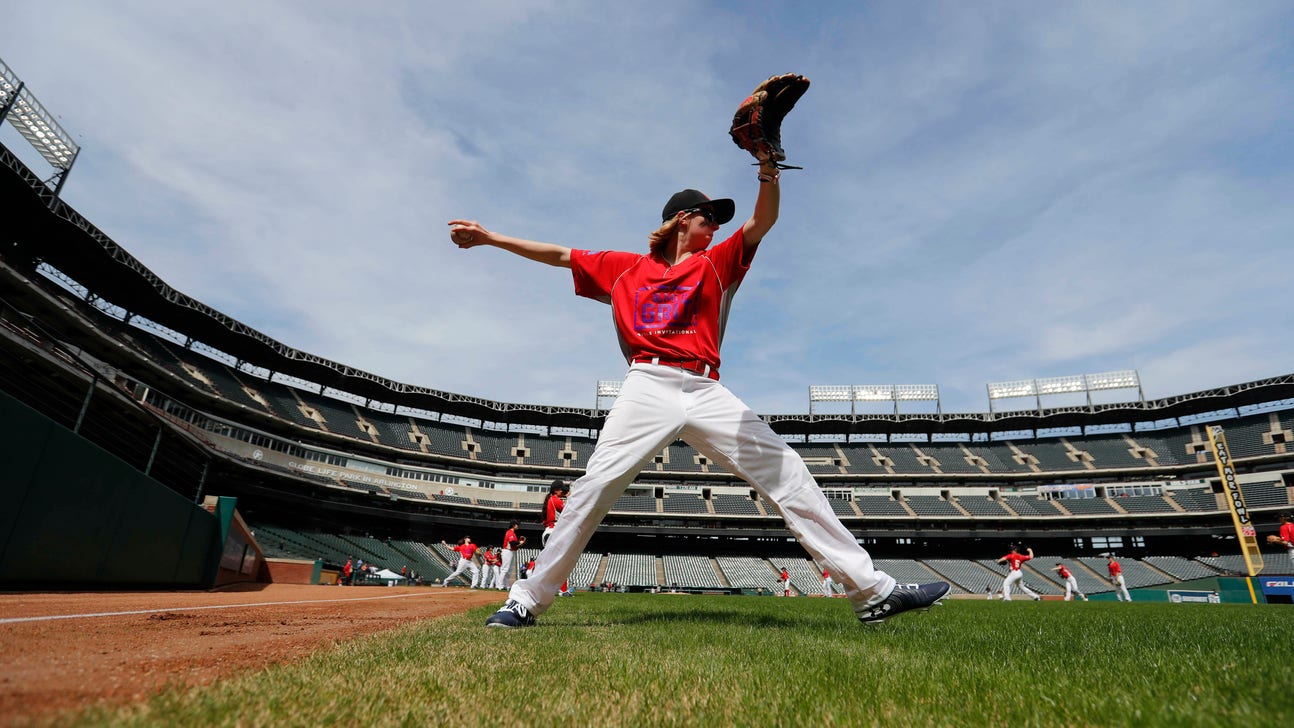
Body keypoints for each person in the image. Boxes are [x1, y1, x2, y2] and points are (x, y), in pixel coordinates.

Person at [454, 159, 949, 630]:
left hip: (705, 386)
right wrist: (489, 238)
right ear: (682, 220)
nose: (716, 227)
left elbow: (763, 219)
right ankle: (525, 600)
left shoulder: (715, 262)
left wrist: (768, 169)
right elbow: (560, 254)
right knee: (593, 489)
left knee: (787, 471)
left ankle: (872, 591)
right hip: (647, 384)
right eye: (709, 218)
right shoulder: (624, 267)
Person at [541, 479, 574, 597]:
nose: (563, 493)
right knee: (561, 562)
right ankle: (562, 590)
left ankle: (544, 588)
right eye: (561, 490)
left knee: (549, 563)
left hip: (550, 532)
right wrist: (570, 497)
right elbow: (569, 511)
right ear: (556, 490)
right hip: (553, 532)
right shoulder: (555, 499)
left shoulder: (550, 499)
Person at [498, 522, 526, 590]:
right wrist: (520, 542)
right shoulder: (510, 532)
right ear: (513, 525)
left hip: (511, 551)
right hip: (507, 551)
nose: (518, 526)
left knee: (509, 570)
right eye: (517, 525)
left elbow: (515, 545)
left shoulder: (513, 533)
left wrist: (519, 544)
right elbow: (512, 543)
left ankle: (506, 585)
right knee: (505, 569)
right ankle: (499, 585)